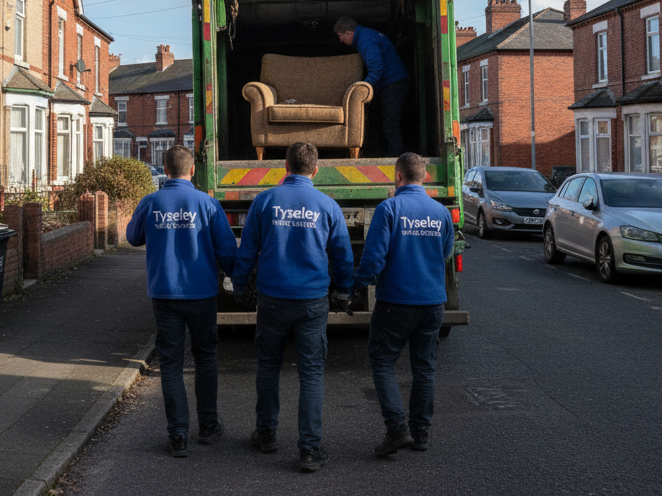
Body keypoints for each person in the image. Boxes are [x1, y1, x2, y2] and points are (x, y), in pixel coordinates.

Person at [231, 142, 355, 473]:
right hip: (312, 301)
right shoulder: (328, 206)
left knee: (269, 366)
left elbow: (247, 251)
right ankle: (310, 449)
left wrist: (239, 285)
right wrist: (344, 291)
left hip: (272, 299)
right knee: (311, 372)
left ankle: (267, 434)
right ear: (315, 170)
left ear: (284, 167)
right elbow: (343, 255)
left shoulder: (265, 201)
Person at [127, 144, 237, 458]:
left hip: (164, 294)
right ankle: (208, 426)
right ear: (192, 171)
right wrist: (237, 278)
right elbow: (227, 249)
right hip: (201, 294)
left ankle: (177, 435)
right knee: (205, 360)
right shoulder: (207, 204)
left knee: (172, 365)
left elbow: (133, 237)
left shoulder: (151, 202)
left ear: (165, 169)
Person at [352, 151, 455, 457]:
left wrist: (358, 283)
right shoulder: (441, 213)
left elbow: (373, 258)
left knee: (383, 361)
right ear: (423, 177)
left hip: (395, 302)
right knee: (424, 368)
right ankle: (421, 434)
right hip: (433, 302)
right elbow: (446, 253)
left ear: (398, 177)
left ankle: (397, 428)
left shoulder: (389, 209)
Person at [334, 16, 409, 156]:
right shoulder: (366, 36)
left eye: (340, 36)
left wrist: (362, 89)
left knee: (390, 127)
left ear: (349, 33)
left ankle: (396, 162)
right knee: (385, 125)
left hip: (393, 84)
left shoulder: (366, 40)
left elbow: (376, 69)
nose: (340, 40)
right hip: (390, 84)